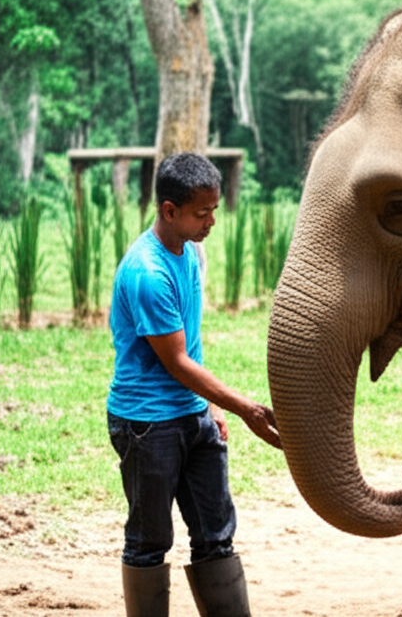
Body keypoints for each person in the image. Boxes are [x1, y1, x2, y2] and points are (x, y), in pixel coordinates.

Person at [107, 151, 282, 617]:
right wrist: (247, 407)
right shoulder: (148, 272)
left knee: (215, 532)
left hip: (193, 414)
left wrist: (214, 408)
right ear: (169, 210)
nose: (211, 222)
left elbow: (193, 339)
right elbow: (178, 362)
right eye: (201, 213)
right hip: (147, 425)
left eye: (215, 211)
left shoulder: (191, 253)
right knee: (150, 540)